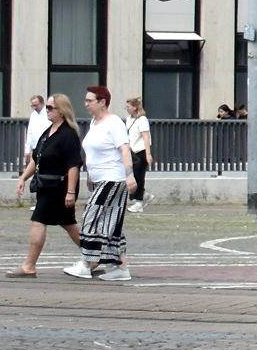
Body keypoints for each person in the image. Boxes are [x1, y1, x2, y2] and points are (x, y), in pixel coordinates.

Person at [11, 96, 87, 278]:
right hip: (46, 185)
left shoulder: (68, 135)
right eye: (47, 107)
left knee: (38, 220)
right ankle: (95, 254)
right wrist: (23, 177)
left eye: (51, 107)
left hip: (59, 187)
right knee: (68, 223)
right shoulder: (48, 132)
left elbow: (73, 165)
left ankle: (29, 265)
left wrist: (70, 192)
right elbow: (37, 159)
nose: (47, 110)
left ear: (61, 110)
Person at [72, 86, 132, 282]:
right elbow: (93, 152)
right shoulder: (94, 122)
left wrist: (129, 175)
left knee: (91, 216)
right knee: (110, 224)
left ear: (102, 102)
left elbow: (124, 149)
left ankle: (86, 263)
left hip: (113, 178)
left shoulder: (114, 123)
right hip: (100, 179)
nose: (86, 104)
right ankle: (121, 267)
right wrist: (90, 174)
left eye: (89, 100)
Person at [15, 93, 49, 208]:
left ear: (42, 103)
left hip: (45, 147)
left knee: (44, 174)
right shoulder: (33, 115)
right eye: (32, 105)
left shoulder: (47, 114)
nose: (34, 108)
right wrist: (27, 149)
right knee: (37, 175)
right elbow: (30, 133)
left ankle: (44, 201)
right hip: (35, 147)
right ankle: (39, 201)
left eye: (36, 105)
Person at [123, 96, 153, 213]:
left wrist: (148, 154)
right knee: (132, 175)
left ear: (135, 107)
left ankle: (139, 201)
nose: (127, 109)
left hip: (141, 151)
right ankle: (144, 195)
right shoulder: (129, 119)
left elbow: (145, 137)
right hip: (132, 151)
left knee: (138, 176)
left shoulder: (142, 120)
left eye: (129, 107)